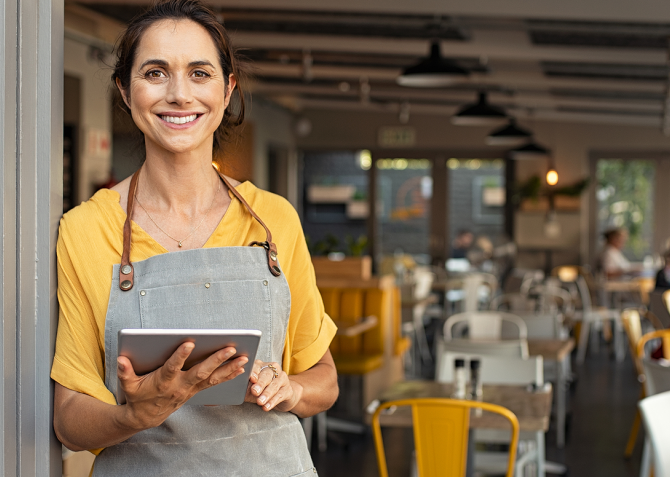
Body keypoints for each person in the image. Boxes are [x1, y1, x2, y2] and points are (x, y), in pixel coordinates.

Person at [51, 1, 338, 474]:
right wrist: (133, 415)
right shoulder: (87, 229)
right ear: (125, 90)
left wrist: (293, 389)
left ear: (227, 91)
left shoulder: (273, 221)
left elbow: (324, 379)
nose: (180, 94)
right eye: (156, 72)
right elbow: (68, 419)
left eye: (200, 73)